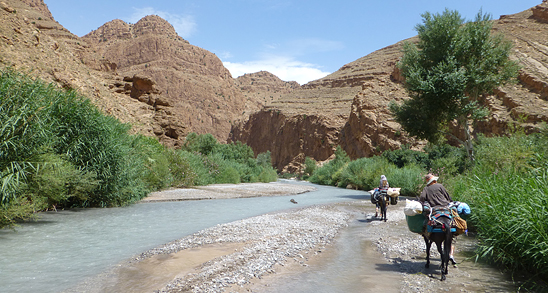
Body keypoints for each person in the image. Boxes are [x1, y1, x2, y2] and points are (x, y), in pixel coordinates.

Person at [419, 173, 457, 265]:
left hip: (434, 208)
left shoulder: (426, 189)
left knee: (426, 219)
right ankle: (454, 236)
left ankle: (426, 232)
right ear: (434, 181)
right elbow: (448, 197)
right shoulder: (440, 186)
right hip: (445, 207)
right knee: (454, 218)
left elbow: (422, 199)